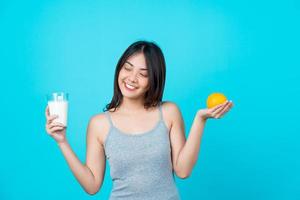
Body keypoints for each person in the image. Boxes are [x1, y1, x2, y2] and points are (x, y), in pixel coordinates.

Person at [45, 40, 234, 199]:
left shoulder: (168, 112)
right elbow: (92, 185)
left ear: (154, 80)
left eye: (143, 74)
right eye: (127, 68)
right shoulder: (99, 124)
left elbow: (183, 171)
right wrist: (62, 142)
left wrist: (200, 120)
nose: (132, 78)